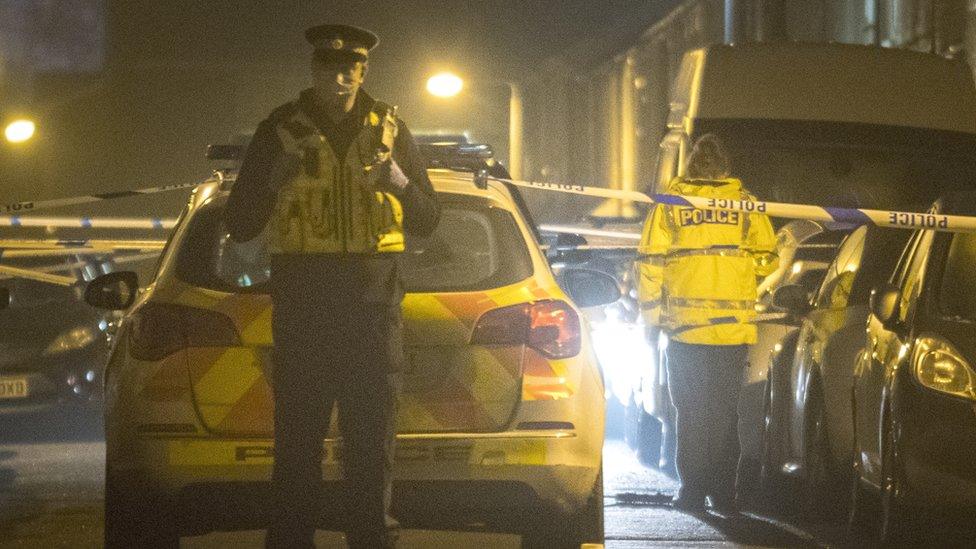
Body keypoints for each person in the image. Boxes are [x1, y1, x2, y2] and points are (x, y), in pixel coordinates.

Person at [223, 23, 440, 548]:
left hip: (373, 306)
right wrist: (273, 180)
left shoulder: (391, 129)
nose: (340, 78)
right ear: (313, 71)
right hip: (306, 305)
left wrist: (400, 183)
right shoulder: (279, 129)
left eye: (351, 68)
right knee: (297, 443)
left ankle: (371, 540)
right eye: (329, 67)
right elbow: (241, 223)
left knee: (371, 443)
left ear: (364, 71)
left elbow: (429, 219)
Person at [636, 134, 777, 514]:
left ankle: (692, 492)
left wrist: (651, 316)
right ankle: (723, 494)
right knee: (725, 413)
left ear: (691, 165)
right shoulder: (746, 204)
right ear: (726, 168)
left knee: (692, 412)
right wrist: (738, 273)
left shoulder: (672, 204)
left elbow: (650, 261)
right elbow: (768, 259)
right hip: (732, 332)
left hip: (686, 330)